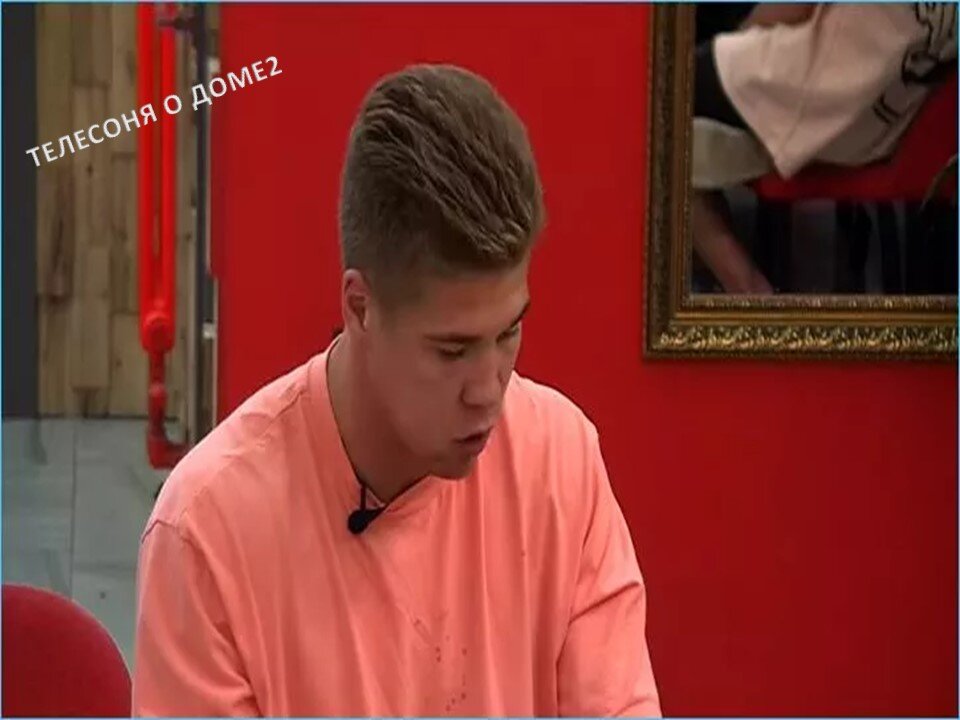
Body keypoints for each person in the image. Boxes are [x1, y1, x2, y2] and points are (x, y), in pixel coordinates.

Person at [132, 64, 661, 717]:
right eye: (452, 350)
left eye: (508, 333)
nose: (488, 391)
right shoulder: (206, 533)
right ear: (360, 307)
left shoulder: (562, 464)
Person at [690, 2, 958, 293]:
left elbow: (793, 7)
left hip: (819, 100)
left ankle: (750, 291)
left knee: (661, 103)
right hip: (892, 118)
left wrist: (738, 40)